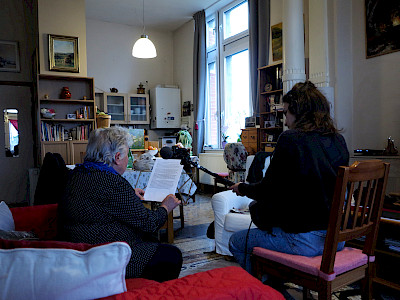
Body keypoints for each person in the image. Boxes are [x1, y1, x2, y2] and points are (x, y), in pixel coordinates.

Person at [228, 81, 349, 274]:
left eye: (286, 113)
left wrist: (242, 188)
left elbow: (268, 190)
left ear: (299, 111)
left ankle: (266, 291)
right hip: (337, 240)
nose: (285, 121)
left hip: (304, 240)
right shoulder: (338, 140)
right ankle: (275, 283)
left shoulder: (291, 139)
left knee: (236, 241)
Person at [58, 126, 182, 282]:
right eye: (127, 154)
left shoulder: (76, 174)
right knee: (171, 255)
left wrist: (130, 194)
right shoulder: (112, 183)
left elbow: (102, 202)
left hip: (76, 246)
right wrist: (166, 207)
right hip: (103, 254)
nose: (128, 159)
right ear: (117, 157)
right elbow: (150, 223)